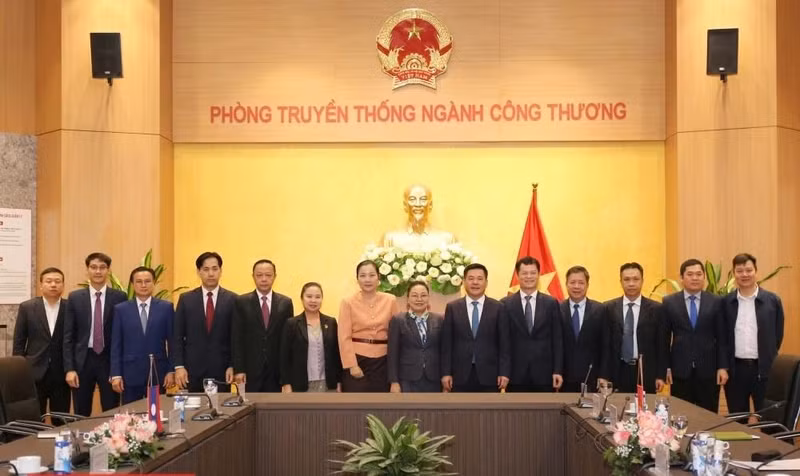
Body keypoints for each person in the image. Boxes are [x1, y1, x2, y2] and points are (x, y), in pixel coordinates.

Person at [63, 252, 127, 416]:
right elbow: (68, 337)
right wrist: (70, 369)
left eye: (102, 267)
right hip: (83, 361)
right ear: (87, 270)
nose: (98, 271)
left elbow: (123, 335)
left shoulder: (120, 297)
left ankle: (112, 441)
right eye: (93, 267)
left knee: (111, 409)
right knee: (81, 411)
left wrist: (118, 368)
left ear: (108, 271)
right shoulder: (75, 298)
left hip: (108, 360)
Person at [661, 259, 728, 412]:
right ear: (681, 277)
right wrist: (666, 368)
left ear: (704, 277)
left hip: (708, 370)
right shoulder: (669, 302)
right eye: (690, 274)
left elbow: (723, 338)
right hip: (680, 370)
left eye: (699, 274)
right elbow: (664, 339)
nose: (695, 278)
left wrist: (722, 367)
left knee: (709, 415)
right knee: (681, 414)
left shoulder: (716, 302)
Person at [723, 253, 784, 413]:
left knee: (769, 418)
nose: (744, 275)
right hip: (736, 371)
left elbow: (777, 335)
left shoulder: (772, 301)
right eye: (740, 271)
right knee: (737, 420)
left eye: (749, 270)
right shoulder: (726, 302)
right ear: (734, 273)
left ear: (756, 271)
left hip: (764, 369)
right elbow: (723, 337)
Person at [172, 252, 237, 392]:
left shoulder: (233, 300)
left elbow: (235, 337)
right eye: (206, 269)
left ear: (221, 271)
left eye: (215, 269)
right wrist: (179, 366)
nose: (211, 274)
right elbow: (177, 336)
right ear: (198, 272)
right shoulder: (186, 299)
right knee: (193, 411)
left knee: (221, 411)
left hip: (222, 371)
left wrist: (233, 365)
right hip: (192, 371)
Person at [441, 263, 510, 392]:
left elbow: (504, 344)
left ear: (486, 282)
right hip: (460, 374)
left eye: (479, 278)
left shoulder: (498, 308)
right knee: (460, 412)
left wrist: (504, 372)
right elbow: (447, 344)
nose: (475, 282)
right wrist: (446, 373)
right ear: (464, 282)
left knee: (489, 411)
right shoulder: (453, 307)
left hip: (490, 375)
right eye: (471, 278)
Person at [110, 267, 175, 404]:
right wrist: (116, 374)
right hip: (130, 373)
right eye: (139, 282)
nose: (143, 285)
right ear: (133, 285)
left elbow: (173, 342)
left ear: (154, 283)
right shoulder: (121, 309)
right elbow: (116, 344)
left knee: (157, 413)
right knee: (132, 416)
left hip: (158, 372)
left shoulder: (166, 308)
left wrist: (171, 370)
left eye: (147, 281)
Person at [599, 262, 666, 394]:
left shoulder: (657, 309)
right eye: (627, 279)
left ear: (642, 281)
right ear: (620, 281)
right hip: (617, 370)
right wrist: (604, 374)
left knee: (644, 412)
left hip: (645, 371)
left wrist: (660, 375)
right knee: (617, 410)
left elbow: (662, 344)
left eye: (636, 279)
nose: (631, 283)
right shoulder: (608, 308)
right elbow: (605, 345)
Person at [13, 267, 71, 419]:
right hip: (34, 372)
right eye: (49, 281)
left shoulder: (70, 307)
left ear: (63, 285)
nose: (53, 285)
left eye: (57, 281)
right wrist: (20, 370)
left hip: (62, 372)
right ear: (41, 285)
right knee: (35, 417)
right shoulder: (27, 307)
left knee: (61, 418)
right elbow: (19, 341)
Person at [501, 257, 563, 392]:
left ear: (539, 274)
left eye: (533, 273)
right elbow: (503, 342)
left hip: (544, 374)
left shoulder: (551, 303)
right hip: (515, 374)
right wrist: (503, 371)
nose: (529, 276)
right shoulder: (505, 304)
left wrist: (557, 370)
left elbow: (557, 340)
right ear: (517, 275)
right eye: (524, 273)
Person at [232, 259, 294, 392]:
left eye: (268, 275)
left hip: (276, 370)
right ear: (253, 277)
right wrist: (239, 369)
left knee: (274, 410)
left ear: (275, 276)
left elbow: (287, 341)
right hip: (249, 370)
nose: (264, 279)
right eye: (259, 275)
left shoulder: (285, 303)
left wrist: (286, 376)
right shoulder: (241, 302)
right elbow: (236, 338)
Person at [338, 260, 399, 392]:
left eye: (372, 275)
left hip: (384, 361)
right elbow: (344, 337)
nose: (367, 279)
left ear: (378, 278)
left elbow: (396, 335)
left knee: (382, 406)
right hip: (357, 359)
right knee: (357, 406)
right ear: (357, 279)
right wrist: (352, 365)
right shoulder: (348, 302)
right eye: (363, 275)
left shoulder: (390, 300)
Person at [280, 282, 342, 392]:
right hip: (301, 384)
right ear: (302, 298)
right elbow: (284, 357)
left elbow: (336, 355)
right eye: (309, 296)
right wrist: (286, 383)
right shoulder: (292, 323)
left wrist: (339, 381)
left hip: (328, 384)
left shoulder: (331, 322)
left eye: (317, 297)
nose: (313, 300)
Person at [388, 281, 444, 393]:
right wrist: (394, 381)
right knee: (408, 410)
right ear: (408, 299)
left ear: (428, 298)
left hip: (434, 378)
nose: (419, 299)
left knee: (432, 410)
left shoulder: (439, 319)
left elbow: (444, 350)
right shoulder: (398, 320)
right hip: (407, 378)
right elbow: (392, 353)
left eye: (423, 295)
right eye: (414, 295)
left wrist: (445, 375)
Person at [559, 265, 604, 393]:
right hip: (564, 377)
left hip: (591, 375)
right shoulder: (557, 309)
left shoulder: (600, 309)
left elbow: (605, 345)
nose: (576, 286)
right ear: (566, 284)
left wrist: (603, 374)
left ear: (587, 285)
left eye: (581, 283)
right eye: (572, 282)